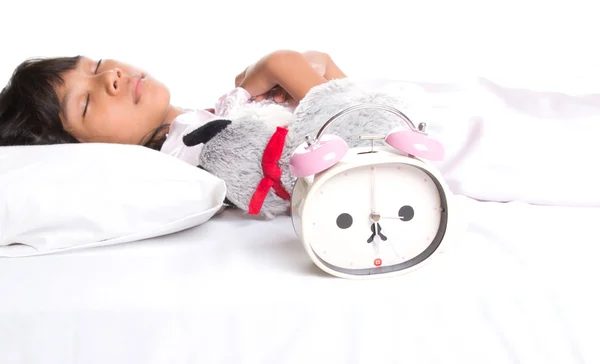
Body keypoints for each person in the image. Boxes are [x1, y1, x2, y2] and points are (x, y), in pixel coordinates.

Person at [0, 50, 347, 153]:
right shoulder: (185, 154)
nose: (111, 77)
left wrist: (314, 70)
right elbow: (354, 125)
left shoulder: (198, 121)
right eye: (86, 103)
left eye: (97, 66)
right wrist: (279, 66)